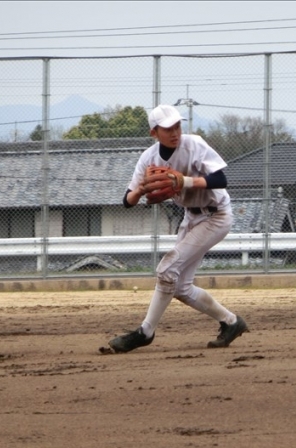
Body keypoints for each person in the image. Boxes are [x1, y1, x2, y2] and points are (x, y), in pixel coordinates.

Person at [102, 104, 249, 353]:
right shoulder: (149, 158)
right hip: (191, 217)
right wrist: (141, 189)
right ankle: (231, 322)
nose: (175, 132)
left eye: (177, 126)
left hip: (216, 215)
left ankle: (145, 332)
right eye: (168, 128)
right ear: (154, 133)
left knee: (167, 268)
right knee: (180, 287)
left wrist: (185, 181)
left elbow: (220, 179)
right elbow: (127, 201)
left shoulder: (194, 144)